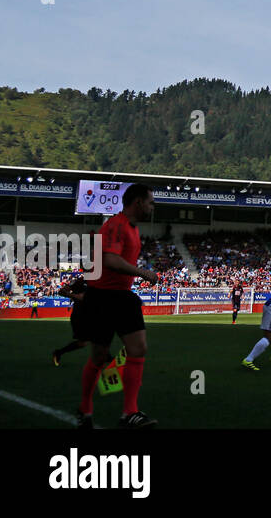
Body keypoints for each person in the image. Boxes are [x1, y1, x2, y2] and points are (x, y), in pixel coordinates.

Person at [74, 183, 159, 429]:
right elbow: (110, 260)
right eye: (151, 202)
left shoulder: (132, 228)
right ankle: (85, 408)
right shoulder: (115, 225)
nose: (152, 207)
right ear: (138, 202)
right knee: (99, 356)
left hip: (122, 296)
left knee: (138, 348)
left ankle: (129, 413)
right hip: (101, 298)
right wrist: (141, 272)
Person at [51, 274, 89, 366]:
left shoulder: (97, 282)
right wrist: (69, 294)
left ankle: (106, 357)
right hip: (80, 316)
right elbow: (61, 292)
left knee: (100, 335)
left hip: (90, 314)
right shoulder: (79, 282)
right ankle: (59, 352)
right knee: (82, 343)